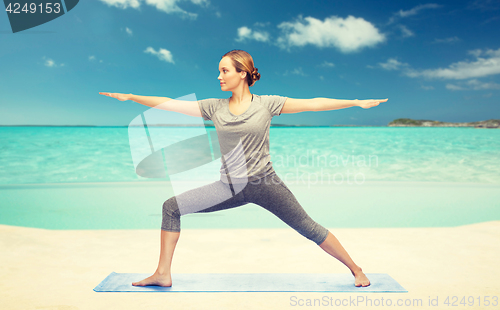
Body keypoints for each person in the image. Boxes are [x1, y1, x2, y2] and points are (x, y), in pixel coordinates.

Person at [99, 49, 387, 288]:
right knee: (171, 207)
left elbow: (312, 104)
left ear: (243, 73)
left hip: (266, 184)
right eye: (219, 71)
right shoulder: (214, 107)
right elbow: (170, 105)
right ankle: (163, 274)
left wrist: (355, 102)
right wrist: (133, 97)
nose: (219, 76)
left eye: (224, 71)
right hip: (228, 187)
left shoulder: (267, 104)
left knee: (309, 228)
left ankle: (356, 269)